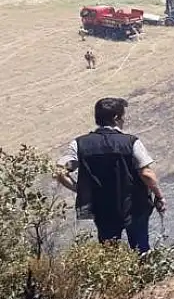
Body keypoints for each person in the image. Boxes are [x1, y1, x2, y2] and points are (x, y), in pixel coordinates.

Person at [54, 98, 167, 253]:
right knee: (141, 250)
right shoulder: (131, 142)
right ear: (115, 118)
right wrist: (159, 197)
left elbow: (60, 171)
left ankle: (114, 276)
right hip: (135, 207)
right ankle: (144, 275)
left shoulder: (79, 144)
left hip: (103, 209)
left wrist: (79, 189)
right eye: (123, 116)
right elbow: (146, 173)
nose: (124, 120)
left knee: (109, 254)